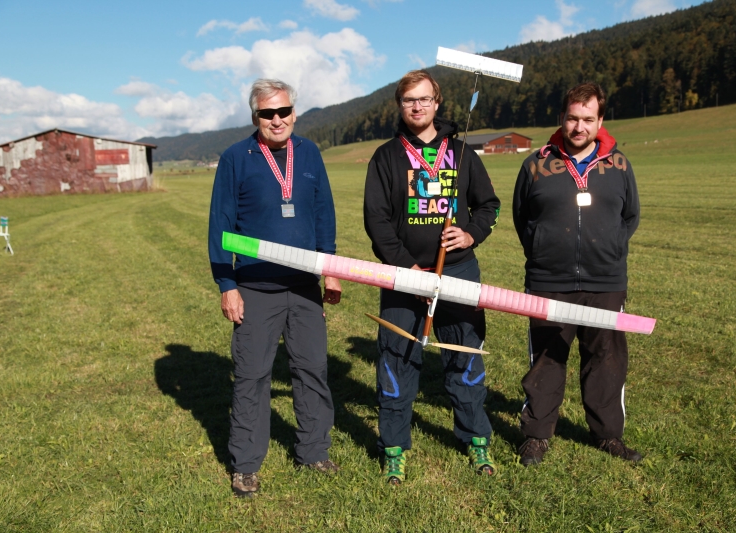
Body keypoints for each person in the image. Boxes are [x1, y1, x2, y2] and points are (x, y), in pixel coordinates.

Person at [363, 70, 501, 484]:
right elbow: (377, 221)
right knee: (397, 360)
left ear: (437, 103)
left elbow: (489, 206)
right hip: (405, 276)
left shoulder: (462, 153)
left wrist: (471, 233)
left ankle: (476, 439)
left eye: (424, 99)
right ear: (400, 106)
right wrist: (409, 269)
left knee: (465, 356)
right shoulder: (386, 157)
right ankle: (393, 448)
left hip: (458, 272)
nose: (417, 106)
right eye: (409, 100)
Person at [208, 79, 343, 498]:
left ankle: (313, 451)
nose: (277, 119)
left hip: (304, 288)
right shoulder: (236, 158)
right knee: (252, 376)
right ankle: (246, 465)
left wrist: (330, 269)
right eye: (268, 113)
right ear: (255, 117)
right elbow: (220, 224)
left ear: (294, 113)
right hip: (255, 288)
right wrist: (227, 284)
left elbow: (323, 213)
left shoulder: (310, 153)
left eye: (284, 111)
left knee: (312, 369)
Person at [512, 82, 642, 466]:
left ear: (600, 121)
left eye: (588, 119)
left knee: (606, 359)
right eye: (572, 118)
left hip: (606, 282)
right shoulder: (535, 164)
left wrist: (610, 250)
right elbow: (522, 218)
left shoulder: (619, 165)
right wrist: (543, 251)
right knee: (546, 360)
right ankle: (536, 436)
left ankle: (608, 435)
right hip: (549, 282)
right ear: (562, 118)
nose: (579, 127)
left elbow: (630, 216)